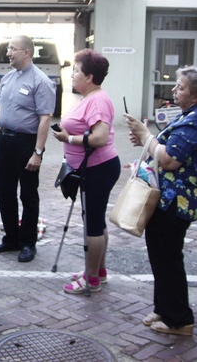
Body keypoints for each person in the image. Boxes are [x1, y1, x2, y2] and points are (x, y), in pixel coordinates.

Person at [124, 66, 197, 336]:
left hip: (177, 202)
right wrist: (147, 140)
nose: (175, 90)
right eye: (176, 86)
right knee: (160, 257)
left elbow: (169, 159)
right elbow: (164, 148)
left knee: (169, 259)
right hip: (165, 200)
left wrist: (146, 136)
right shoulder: (189, 116)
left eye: (181, 87)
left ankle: (180, 320)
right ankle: (163, 308)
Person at [0, 35, 56, 263]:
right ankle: (11, 238)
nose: (8, 53)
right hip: (5, 142)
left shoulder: (41, 81)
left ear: (26, 52)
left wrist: (38, 152)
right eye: (8, 49)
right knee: (5, 193)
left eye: (13, 49)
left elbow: (45, 119)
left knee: (28, 195)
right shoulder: (7, 78)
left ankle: (28, 243)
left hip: (27, 144)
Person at [51, 49, 120, 293]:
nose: (72, 75)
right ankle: (98, 272)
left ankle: (91, 279)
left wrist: (68, 139)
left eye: (76, 70)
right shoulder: (90, 97)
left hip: (97, 168)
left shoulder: (97, 100)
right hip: (93, 168)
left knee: (92, 223)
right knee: (96, 220)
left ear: (89, 76)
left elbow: (99, 138)